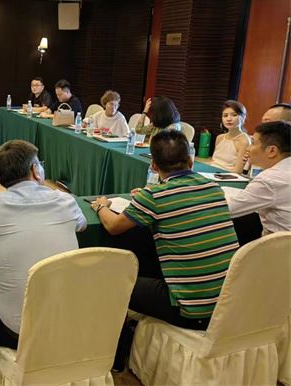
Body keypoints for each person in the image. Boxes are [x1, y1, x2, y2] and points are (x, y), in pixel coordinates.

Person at [0, 140, 87, 370]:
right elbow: (82, 226)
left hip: (15, 332)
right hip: (68, 323)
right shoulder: (65, 201)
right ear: (35, 170)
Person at [91, 130, 238, 332]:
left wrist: (101, 205)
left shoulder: (154, 195)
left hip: (190, 310)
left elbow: (114, 226)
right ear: (190, 161)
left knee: (109, 281)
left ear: (153, 165)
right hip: (229, 302)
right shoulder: (213, 187)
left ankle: (119, 345)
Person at [225, 121, 291, 236]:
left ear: (272, 151)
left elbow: (227, 210)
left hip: (279, 244)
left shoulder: (269, 179)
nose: (248, 148)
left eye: (253, 143)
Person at [211, 100, 251, 173]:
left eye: (234, 115)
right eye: (225, 115)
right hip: (211, 172)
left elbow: (237, 171)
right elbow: (214, 161)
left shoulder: (244, 141)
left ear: (243, 117)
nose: (229, 119)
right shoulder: (219, 138)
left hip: (228, 176)